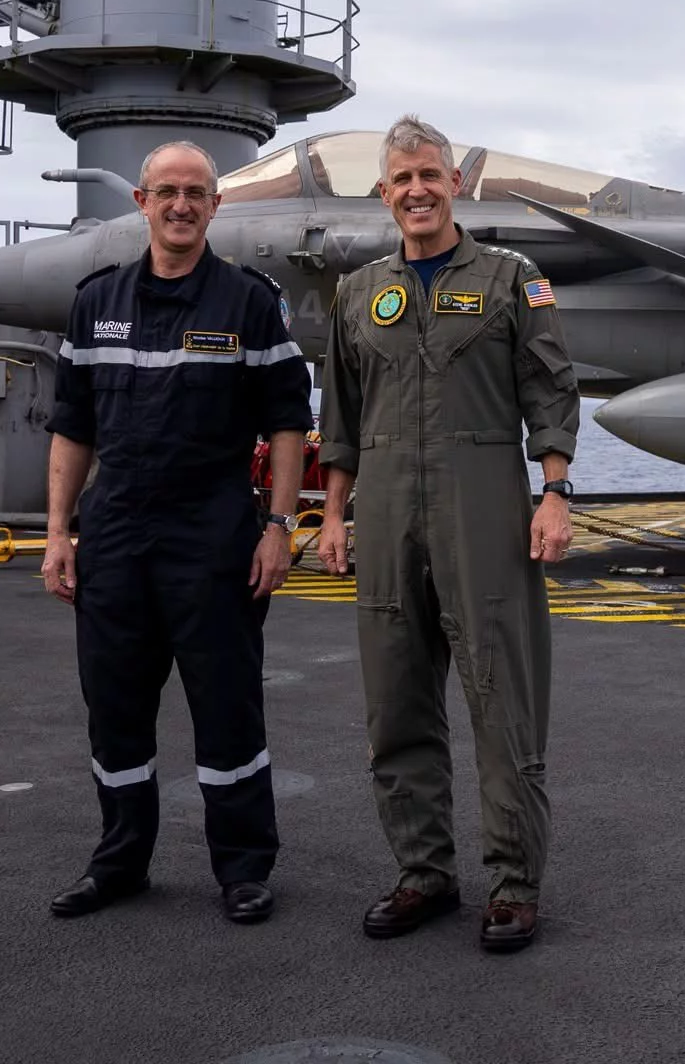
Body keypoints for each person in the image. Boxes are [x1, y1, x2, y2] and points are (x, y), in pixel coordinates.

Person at [316, 114, 579, 953]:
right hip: (386, 509)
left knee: (501, 698)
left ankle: (513, 884)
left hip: (483, 505)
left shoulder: (511, 280)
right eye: (402, 180)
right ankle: (423, 873)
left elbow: (550, 390)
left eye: (430, 175)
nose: (418, 190)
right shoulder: (359, 293)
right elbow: (343, 419)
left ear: (453, 183)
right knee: (395, 702)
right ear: (384, 193)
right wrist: (331, 514)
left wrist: (556, 492)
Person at [40, 139, 312, 926]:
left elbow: (289, 423)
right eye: (167, 192)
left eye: (197, 192)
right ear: (142, 202)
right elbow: (70, 429)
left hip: (214, 536)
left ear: (216, 206)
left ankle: (244, 870)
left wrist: (278, 526)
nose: (182, 205)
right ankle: (119, 861)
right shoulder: (95, 302)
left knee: (228, 708)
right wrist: (60, 533)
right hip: (117, 535)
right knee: (115, 708)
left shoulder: (249, 302)